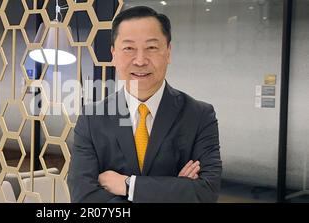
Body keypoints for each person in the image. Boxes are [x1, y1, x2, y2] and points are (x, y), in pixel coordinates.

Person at [67, 6, 222, 203]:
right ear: (114, 54)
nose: (140, 61)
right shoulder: (92, 118)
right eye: (129, 48)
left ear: (168, 52)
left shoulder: (199, 115)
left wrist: (128, 185)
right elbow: (84, 198)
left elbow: (206, 192)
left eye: (151, 47)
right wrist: (174, 190)